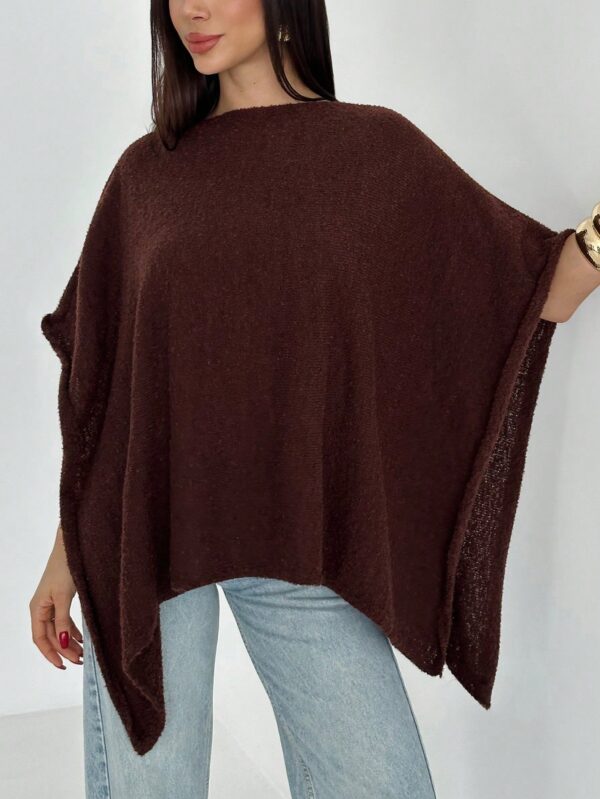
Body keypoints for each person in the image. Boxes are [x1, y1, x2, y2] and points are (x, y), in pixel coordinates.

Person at [29, 2, 600, 798]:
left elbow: (538, 288)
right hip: (143, 539)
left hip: (301, 540)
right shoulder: (145, 176)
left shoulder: (374, 152)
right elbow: (106, 393)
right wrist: (65, 557)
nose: (191, 8)